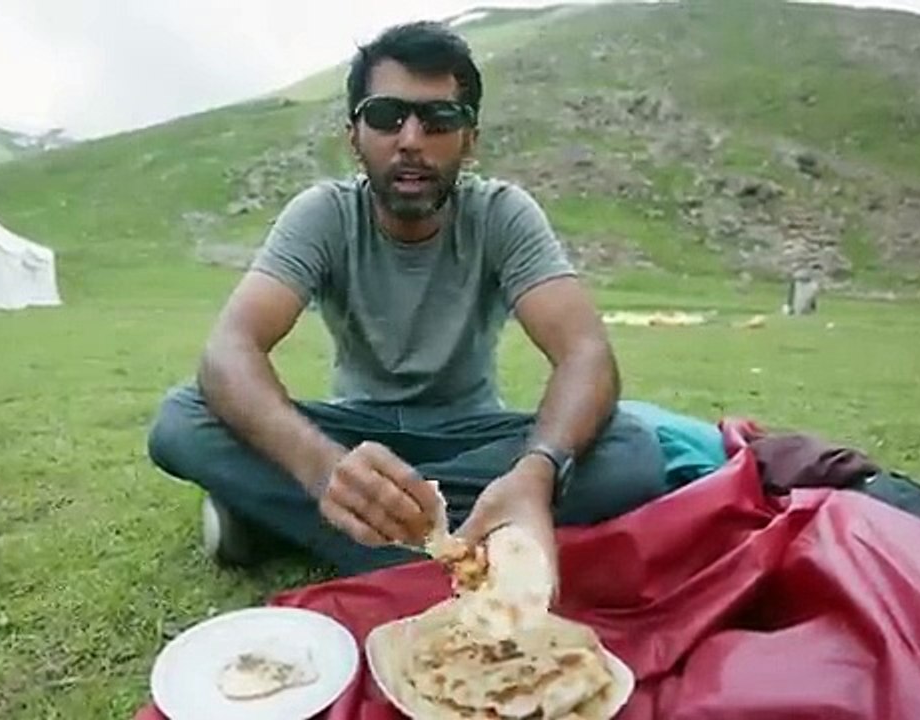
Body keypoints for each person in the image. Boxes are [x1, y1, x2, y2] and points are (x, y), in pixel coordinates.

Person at [147, 20, 673, 582]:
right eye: (385, 115)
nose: (412, 140)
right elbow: (231, 348)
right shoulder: (322, 214)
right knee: (183, 418)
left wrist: (535, 472)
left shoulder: (503, 215)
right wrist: (323, 468)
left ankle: (289, 521)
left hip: (473, 433)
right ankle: (446, 533)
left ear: (469, 140)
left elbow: (584, 352)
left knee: (628, 449)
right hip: (354, 436)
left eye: (439, 119)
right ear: (355, 136)